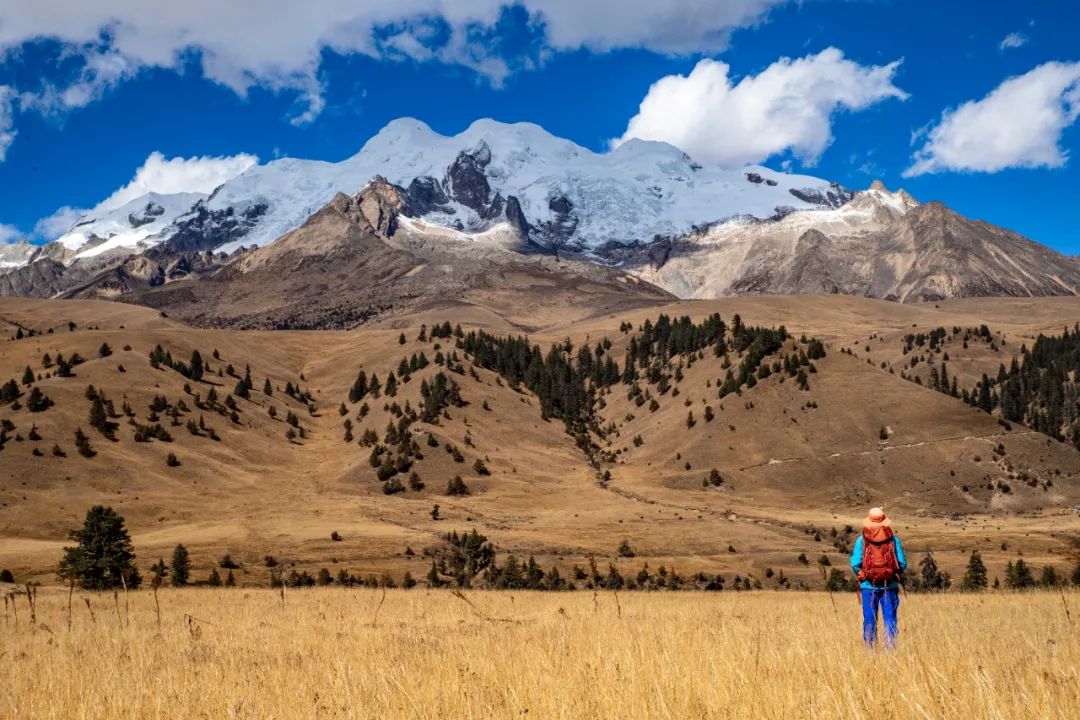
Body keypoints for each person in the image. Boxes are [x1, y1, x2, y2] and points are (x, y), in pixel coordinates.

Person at [849, 506, 906, 648]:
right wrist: (890, 572)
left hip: (868, 586)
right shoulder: (893, 540)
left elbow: (855, 563)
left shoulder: (861, 540)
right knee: (890, 619)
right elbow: (902, 563)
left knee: (869, 619)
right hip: (890, 586)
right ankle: (890, 650)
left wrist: (865, 573)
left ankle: (870, 650)